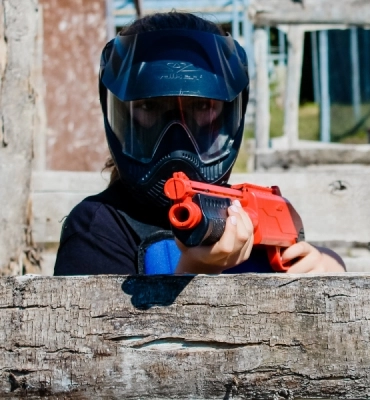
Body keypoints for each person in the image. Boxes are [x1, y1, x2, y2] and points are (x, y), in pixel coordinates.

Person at [54, 12, 345, 276]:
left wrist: (325, 265)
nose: (177, 139)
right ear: (118, 113)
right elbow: (111, 333)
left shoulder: (243, 210)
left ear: (231, 112)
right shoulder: (99, 228)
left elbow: (328, 270)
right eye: (148, 107)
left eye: (203, 106)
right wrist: (195, 270)